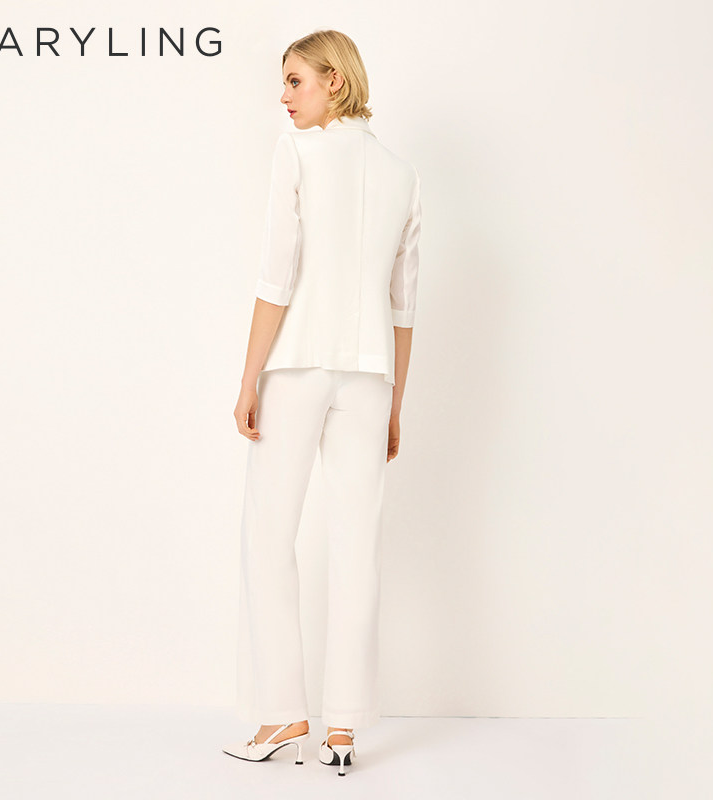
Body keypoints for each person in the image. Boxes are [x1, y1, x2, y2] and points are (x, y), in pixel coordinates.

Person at [221, 29, 422, 776]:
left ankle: (284, 713)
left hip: (299, 365)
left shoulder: (298, 154)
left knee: (268, 535)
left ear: (334, 81)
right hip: (371, 377)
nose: (283, 96)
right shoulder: (402, 174)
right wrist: (396, 403)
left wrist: (249, 379)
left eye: (295, 80)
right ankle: (342, 728)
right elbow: (404, 305)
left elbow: (278, 275)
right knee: (356, 543)